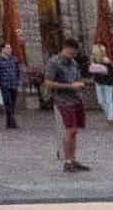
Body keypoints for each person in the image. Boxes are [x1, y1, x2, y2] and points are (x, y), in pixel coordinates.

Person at [46, 37, 90, 172]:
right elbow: (48, 83)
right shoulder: (54, 62)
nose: (73, 56)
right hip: (63, 99)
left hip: (76, 98)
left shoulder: (73, 63)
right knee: (70, 129)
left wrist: (80, 84)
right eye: (71, 53)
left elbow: (77, 78)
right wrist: (70, 86)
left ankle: (73, 159)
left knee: (75, 130)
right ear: (66, 48)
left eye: (74, 54)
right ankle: (67, 162)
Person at [0, 43, 23, 130]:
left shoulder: (14, 59)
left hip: (13, 84)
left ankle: (8, 122)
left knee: (12, 104)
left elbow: (18, 71)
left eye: (10, 48)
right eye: (8, 48)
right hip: (4, 84)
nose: (10, 50)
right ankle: (13, 122)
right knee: (8, 103)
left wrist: (19, 82)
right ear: (2, 49)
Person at [90, 44, 113, 125]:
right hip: (98, 82)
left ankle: (110, 118)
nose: (93, 53)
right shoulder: (94, 60)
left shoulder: (106, 61)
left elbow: (111, 73)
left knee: (108, 100)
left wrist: (103, 69)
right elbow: (92, 71)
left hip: (107, 82)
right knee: (101, 101)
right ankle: (109, 116)